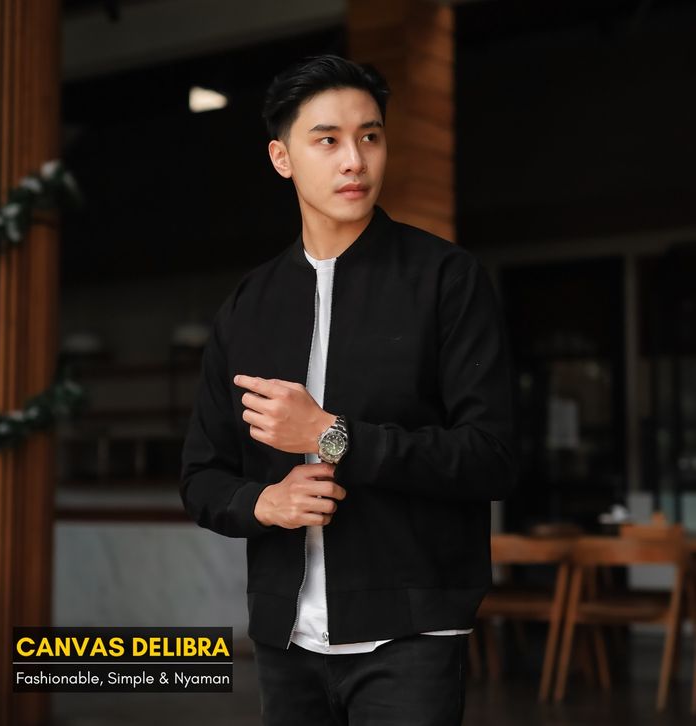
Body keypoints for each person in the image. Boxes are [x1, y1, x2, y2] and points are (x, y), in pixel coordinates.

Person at [180, 53, 518, 726]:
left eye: (370, 136)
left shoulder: (446, 280)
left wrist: (333, 437)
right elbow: (201, 474)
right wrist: (264, 502)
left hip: (413, 635)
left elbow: (492, 457)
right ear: (282, 158)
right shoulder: (249, 305)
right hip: (284, 642)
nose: (354, 161)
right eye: (328, 140)